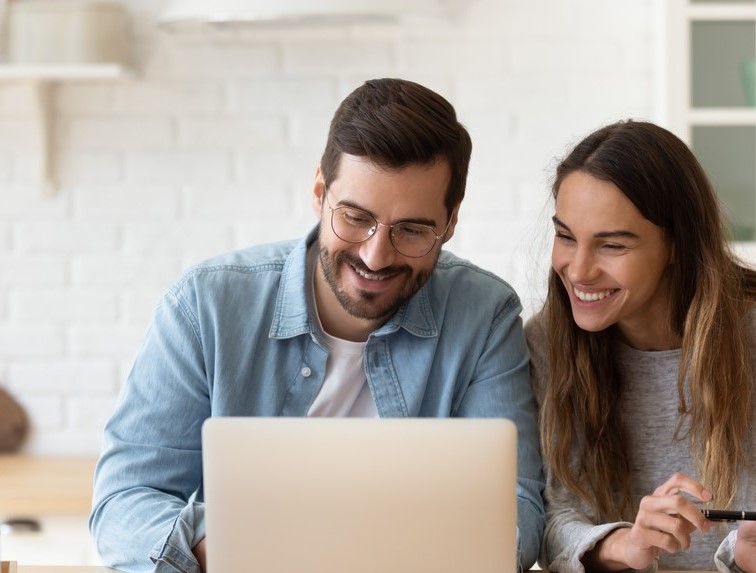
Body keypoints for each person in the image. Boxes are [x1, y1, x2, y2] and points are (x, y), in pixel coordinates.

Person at [90, 78, 544, 573]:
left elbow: (517, 512)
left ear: (451, 221)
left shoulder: (485, 315)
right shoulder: (205, 306)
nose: (376, 255)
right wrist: (220, 545)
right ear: (319, 194)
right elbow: (124, 502)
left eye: (412, 229)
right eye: (355, 217)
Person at [525, 120, 756, 573]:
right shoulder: (547, 341)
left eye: (612, 245)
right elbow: (554, 519)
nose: (577, 271)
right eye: (565, 236)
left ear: (677, 244)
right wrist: (626, 544)